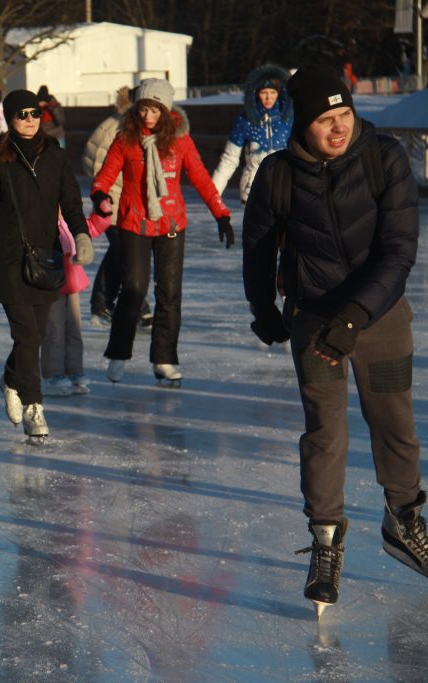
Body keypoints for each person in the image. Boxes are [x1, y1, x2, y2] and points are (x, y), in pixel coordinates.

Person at [242, 65, 424, 617]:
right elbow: (257, 249)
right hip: (316, 323)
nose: (339, 127)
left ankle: (404, 520)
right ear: (303, 122)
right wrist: (263, 309)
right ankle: (324, 544)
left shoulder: (383, 157)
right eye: (325, 119)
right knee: (324, 431)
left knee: (394, 421)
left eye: (344, 114)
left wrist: (357, 314)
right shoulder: (277, 173)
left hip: (380, 318)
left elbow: (398, 251)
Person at [90, 78, 233, 385]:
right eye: (143, 108)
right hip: (134, 222)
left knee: (169, 294)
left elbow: (201, 178)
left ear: (166, 111)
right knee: (134, 289)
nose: (147, 116)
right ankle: (118, 353)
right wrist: (101, 198)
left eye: (155, 109)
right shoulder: (125, 140)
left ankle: (164, 359)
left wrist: (220, 213)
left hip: (170, 224)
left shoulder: (180, 141)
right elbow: (104, 178)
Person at [0, 90, 93, 441]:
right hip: (8, 261)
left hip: (46, 259)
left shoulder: (55, 156)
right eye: (21, 114)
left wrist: (82, 235)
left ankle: (11, 379)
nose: (29, 119)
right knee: (27, 334)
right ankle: (33, 406)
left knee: (35, 336)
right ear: (9, 119)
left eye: (34, 113)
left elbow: (71, 202)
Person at [82, 85, 151, 329]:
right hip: (115, 203)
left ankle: (101, 305)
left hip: (127, 201)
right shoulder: (120, 126)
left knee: (119, 254)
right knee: (128, 255)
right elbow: (97, 160)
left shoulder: (129, 124)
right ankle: (139, 307)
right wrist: (108, 193)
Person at [211, 64, 293, 206]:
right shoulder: (245, 120)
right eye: (264, 93)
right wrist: (212, 194)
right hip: (253, 191)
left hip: (284, 190)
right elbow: (229, 159)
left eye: (272, 92)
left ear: (279, 93)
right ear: (256, 93)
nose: (268, 98)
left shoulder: (288, 119)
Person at [40, 213, 99, 396]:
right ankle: (53, 374)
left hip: (72, 279)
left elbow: (90, 228)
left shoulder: (69, 218)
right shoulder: (43, 219)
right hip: (52, 279)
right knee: (54, 330)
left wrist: (103, 214)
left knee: (74, 329)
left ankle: (74, 371)